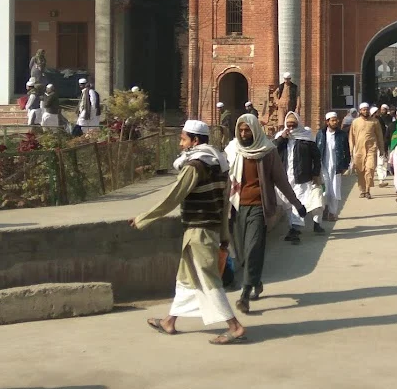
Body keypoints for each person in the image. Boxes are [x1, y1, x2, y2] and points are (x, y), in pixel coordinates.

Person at [130, 120, 246, 345]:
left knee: (207, 280)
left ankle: (235, 326)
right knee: (186, 279)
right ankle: (169, 321)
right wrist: (223, 237)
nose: (180, 143)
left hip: (199, 231)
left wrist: (143, 218)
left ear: (195, 141)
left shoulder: (195, 166)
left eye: (183, 139)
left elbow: (173, 197)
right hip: (205, 230)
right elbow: (224, 207)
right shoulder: (219, 164)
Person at [225, 113, 306, 313]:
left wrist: (296, 203)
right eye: (241, 130)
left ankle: (244, 294)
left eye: (248, 130)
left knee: (253, 247)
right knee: (244, 251)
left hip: (259, 207)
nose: (244, 134)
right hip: (236, 206)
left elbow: (280, 180)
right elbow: (223, 176)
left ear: (255, 131)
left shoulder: (267, 151)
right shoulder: (233, 150)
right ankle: (256, 281)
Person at [274, 112, 323, 242]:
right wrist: (282, 138)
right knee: (288, 203)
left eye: (293, 125)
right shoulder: (281, 137)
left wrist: (316, 174)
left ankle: (295, 229)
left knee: (298, 201)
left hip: (302, 177)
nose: (291, 128)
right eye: (288, 125)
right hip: (284, 177)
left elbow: (316, 157)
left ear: (298, 124)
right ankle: (293, 227)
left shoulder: (306, 138)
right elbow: (272, 150)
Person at [316, 112, 350, 221]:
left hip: (336, 166)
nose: (335, 122)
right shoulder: (320, 134)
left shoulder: (342, 135)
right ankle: (325, 210)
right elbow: (316, 150)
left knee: (335, 191)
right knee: (325, 191)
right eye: (333, 120)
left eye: (336, 120)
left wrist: (346, 165)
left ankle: (332, 213)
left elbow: (346, 151)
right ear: (327, 122)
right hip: (323, 166)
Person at [348, 102, 385, 200]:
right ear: (360, 111)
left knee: (370, 169)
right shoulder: (355, 122)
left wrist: (381, 149)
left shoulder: (375, 122)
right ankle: (362, 190)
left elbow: (380, 136)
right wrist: (351, 149)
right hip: (359, 150)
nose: (365, 111)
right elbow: (351, 137)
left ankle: (368, 190)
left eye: (367, 109)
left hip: (371, 149)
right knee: (360, 171)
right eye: (363, 110)